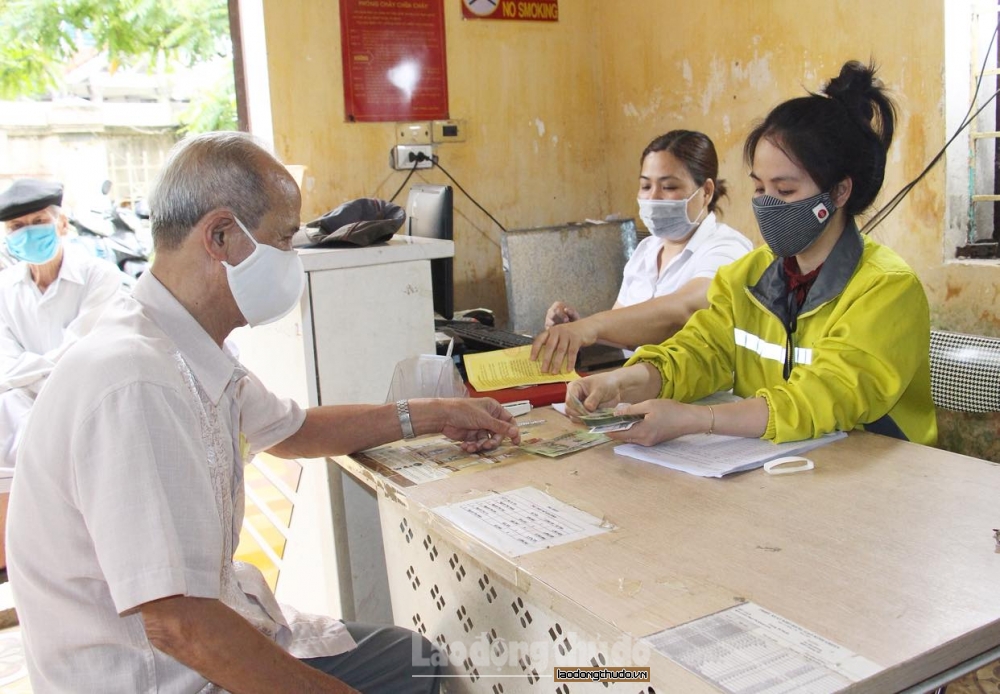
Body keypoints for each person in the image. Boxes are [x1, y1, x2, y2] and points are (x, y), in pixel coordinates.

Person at [7, 132, 521, 693]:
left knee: (410, 659)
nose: (292, 259)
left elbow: (293, 428)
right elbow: (179, 625)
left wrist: (433, 413)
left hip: (210, 633)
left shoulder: (181, 345)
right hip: (160, 678)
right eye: (284, 239)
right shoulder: (137, 381)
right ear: (221, 236)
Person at [565, 60, 937, 447]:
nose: (768, 205)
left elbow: (822, 398)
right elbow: (698, 353)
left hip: (877, 470)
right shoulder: (747, 276)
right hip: (780, 462)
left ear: (840, 192)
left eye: (786, 190)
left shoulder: (887, 289)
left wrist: (698, 419)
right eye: (760, 189)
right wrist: (623, 382)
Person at [532, 130, 752, 373]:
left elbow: (682, 310)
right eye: (646, 185)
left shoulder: (728, 248)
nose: (653, 197)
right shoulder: (647, 249)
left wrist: (592, 327)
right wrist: (578, 330)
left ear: (706, 191)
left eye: (668, 186)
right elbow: (626, 332)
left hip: (704, 401)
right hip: (643, 388)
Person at [0, 179, 126, 571]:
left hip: (85, 410)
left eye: (38, 221)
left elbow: (84, 355)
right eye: (17, 227)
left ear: (62, 224)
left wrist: (27, 374)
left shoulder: (100, 276)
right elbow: (5, 368)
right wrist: (43, 371)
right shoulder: (4, 289)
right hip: (21, 422)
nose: (28, 233)